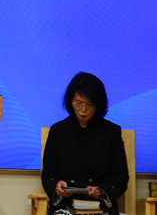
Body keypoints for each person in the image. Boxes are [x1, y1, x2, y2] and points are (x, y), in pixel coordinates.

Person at [42, 72, 128, 215]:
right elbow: (48, 175)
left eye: (90, 104)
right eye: (78, 103)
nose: (83, 109)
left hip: (100, 205)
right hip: (66, 204)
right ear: (70, 101)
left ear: (98, 104)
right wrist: (57, 185)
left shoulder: (111, 132)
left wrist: (101, 190)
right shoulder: (58, 131)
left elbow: (120, 177)